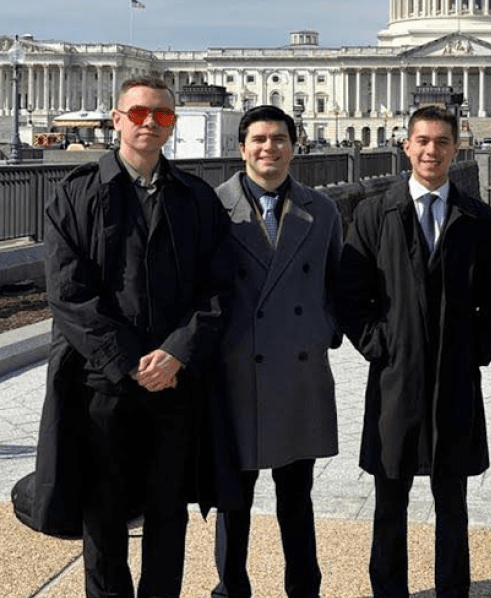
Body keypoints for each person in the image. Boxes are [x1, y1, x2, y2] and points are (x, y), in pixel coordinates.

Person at [38, 75, 232, 598]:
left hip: (173, 384)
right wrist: (130, 361)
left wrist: (176, 353)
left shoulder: (196, 198)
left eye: (164, 116)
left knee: (169, 513)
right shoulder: (75, 193)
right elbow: (68, 293)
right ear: (117, 118)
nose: (151, 122)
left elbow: (221, 287)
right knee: (102, 516)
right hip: (102, 384)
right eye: (141, 113)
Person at [340, 105, 491, 598]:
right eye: (423, 141)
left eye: (441, 142)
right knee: (390, 500)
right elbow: (351, 295)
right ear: (406, 146)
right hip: (397, 376)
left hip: (455, 376)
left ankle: (452, 591)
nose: (431, 150)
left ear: (456, 148)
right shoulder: (374, 213)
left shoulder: (479, 218)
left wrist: (476, 348)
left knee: (452, 502)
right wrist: (381, 346)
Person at [210, 105, 344, 598]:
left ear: (295, 144)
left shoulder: (322, 209)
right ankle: (231, 587)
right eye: (260, 139)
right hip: (236, 371)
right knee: (233, 499)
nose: (270, 148)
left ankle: (304, 588)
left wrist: (321, 331)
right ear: (242, 147)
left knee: (297, 498)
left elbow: (335, 281)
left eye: (280, 139)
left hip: (298, 369)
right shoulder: (211, 206)